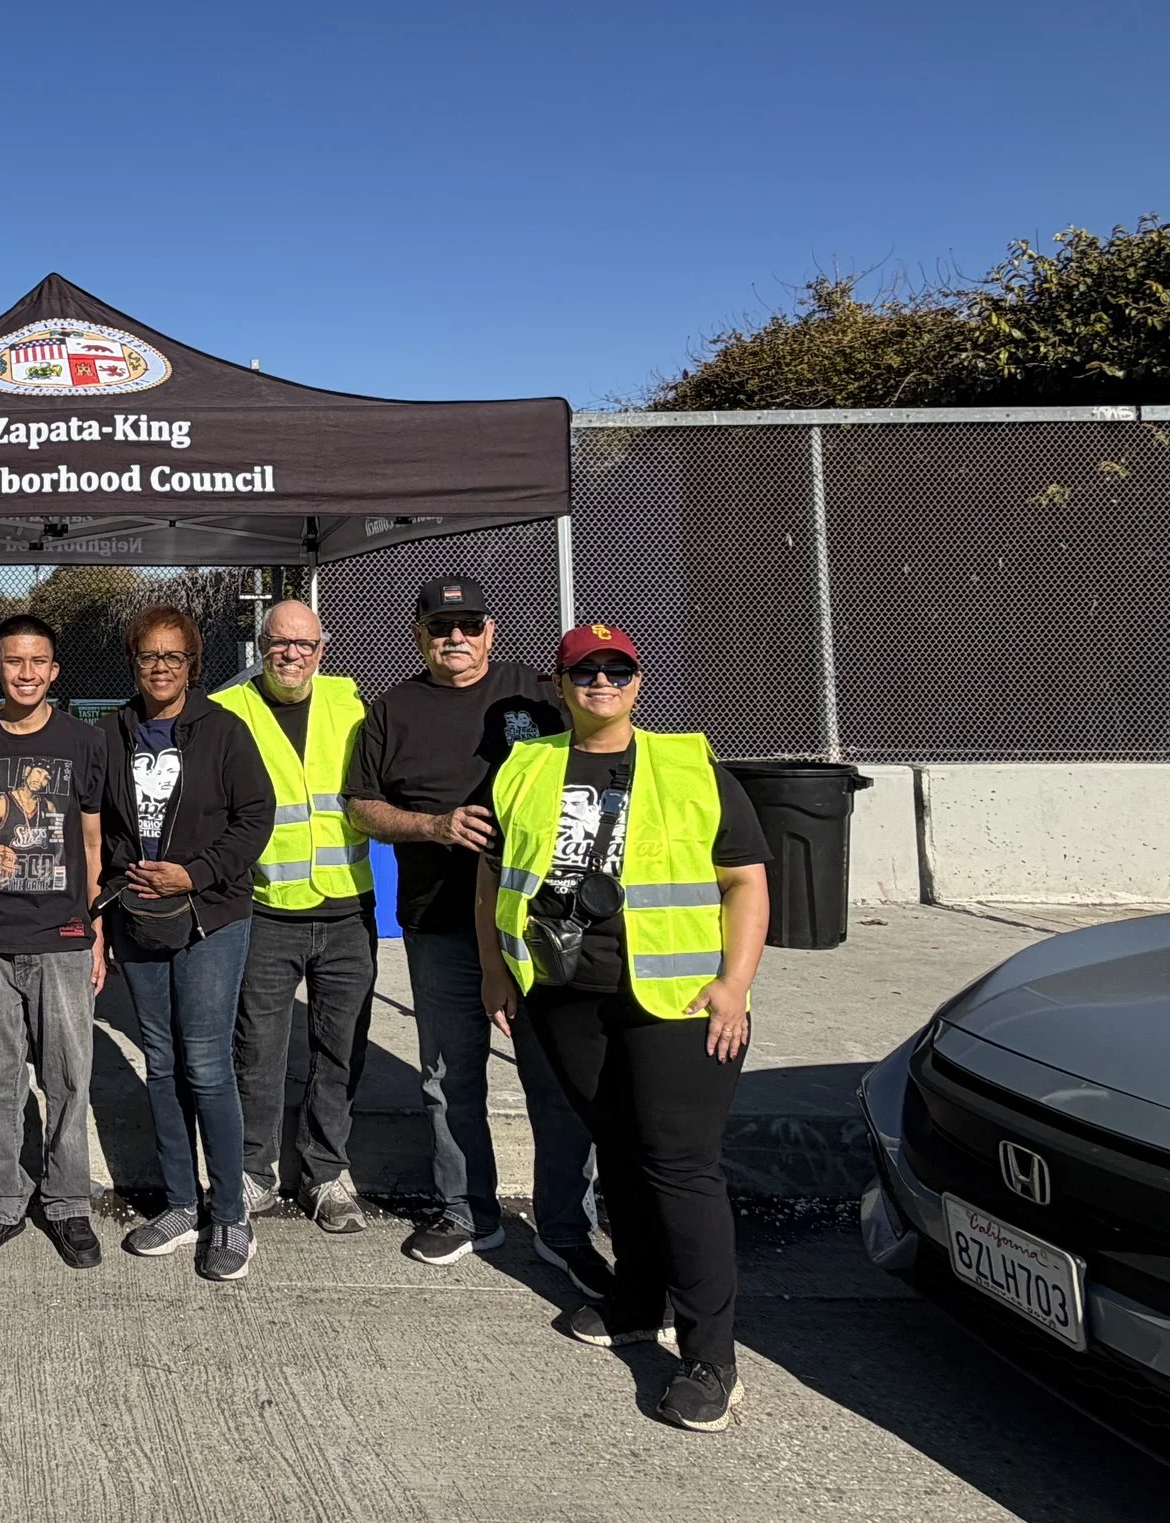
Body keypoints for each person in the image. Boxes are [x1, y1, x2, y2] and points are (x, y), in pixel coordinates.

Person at [481, 622, 772, 1432]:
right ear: (562, 684)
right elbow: (492, 876)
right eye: (585, 671)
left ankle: (713, 1357)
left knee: (679, 1165)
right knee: (618, 1145)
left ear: (638, 682)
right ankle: (639, 1297)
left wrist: (734, 984)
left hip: (676, 999)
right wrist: (494, 967)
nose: (601, 683)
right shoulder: (527, 764)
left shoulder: (687, 765)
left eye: (617, 670)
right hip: (565, 995)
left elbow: (745, 881)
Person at [343, 576, 606, 1290]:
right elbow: (360, 806)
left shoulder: (539, 693)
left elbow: (601, 750)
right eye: (438, 625)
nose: (453, 637)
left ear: (490, 631)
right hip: (439, 923)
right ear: (419, 634)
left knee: (554, 1079)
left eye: (467, 624)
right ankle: (467, 1210)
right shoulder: (392, 709)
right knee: (450, 1075)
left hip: (541, 926)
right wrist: (432, 825)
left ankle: (565, 1229)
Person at [103, 604, 276, 1282]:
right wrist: (124, 877)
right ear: (135, 662)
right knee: (162, 1062)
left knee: (206, 1063)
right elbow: (102, 821)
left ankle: (230, 1211)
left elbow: (254, 816)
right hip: (140, 916)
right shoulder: (112, 731)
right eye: (149, 655)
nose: (160, 667)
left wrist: (195, 873)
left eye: (173, 656)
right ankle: (181, 1203)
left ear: (192, 663)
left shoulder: (224, 731)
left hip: (210, 915)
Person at [209, 598, 378, 1236]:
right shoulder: (229, 713)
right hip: (265, 909)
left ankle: (326, 1175)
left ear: (321, 649)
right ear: (260, 645)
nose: (291, 655)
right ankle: (256, 1173)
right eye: (279, 643)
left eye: (304, 644)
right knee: (258, 1050)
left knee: (339, 1049)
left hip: (346, 910)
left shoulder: (352, 705)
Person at [0, 613, 110, 1270]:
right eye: (14, 661)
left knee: (69, 1077)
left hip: (65, 939)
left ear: (55, 669)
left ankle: (69, 1202)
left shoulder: (85, 742)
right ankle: (0, 1199)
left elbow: (94, 842)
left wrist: (96, 930)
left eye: (38, 661)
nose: (26, 672)